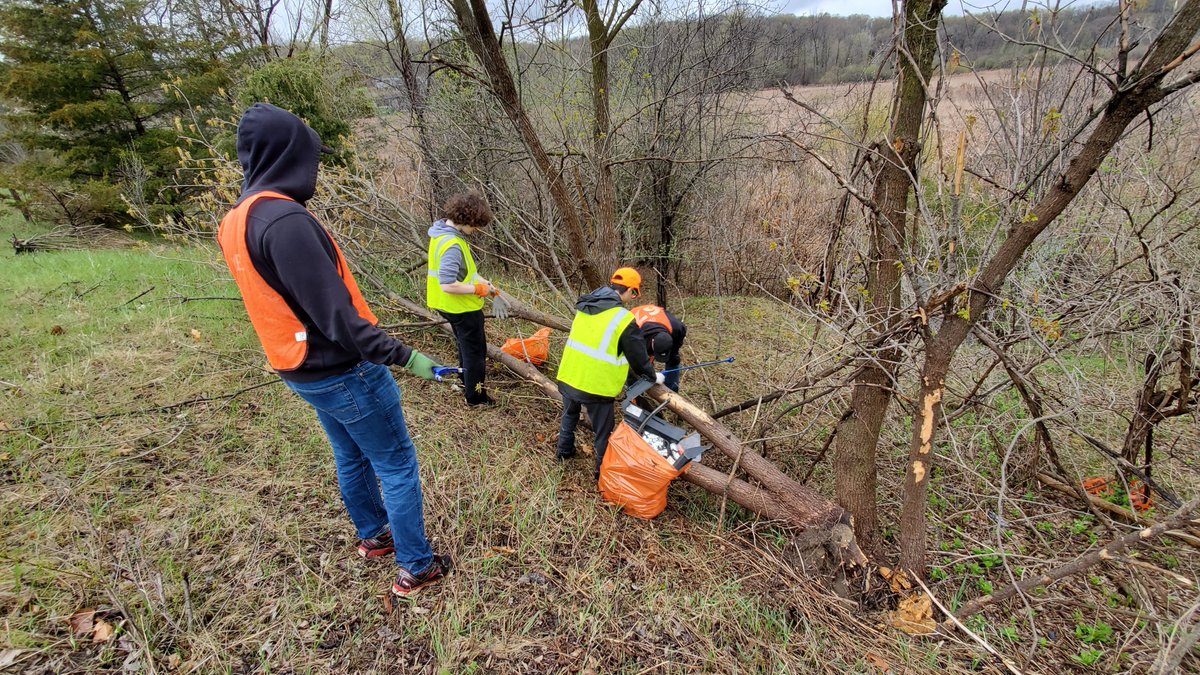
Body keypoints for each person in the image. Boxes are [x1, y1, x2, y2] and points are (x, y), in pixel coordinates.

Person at [217, 103, 451, 597]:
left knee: (349, 452)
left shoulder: (236, 221)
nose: (316, 168)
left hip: (299, 369)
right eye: (311, 156)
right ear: (287, 155)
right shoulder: (284, 221)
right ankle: (416, 565)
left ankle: (374, 535)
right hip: (344, 370)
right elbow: (338, 317)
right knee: (396, 464)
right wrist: (404, 355)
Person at [555, 267, 663, 478]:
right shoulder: (623, 318)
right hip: (596, 386)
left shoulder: (585, 305)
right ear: (630, 291)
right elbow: (638, 357)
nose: (633, 298)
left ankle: (563, 452)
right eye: (635, 294)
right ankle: (601, 472)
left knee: (569, 414)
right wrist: (652, 376)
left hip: (569, 375)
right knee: (603, 432)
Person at [426, 192, 502, 406]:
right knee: (475, 354)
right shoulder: (452, 244)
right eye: (476, 225)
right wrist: (479, 290)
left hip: (446, 306)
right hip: (461, 308)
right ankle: (476, 398)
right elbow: (448, 284)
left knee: (464, 346)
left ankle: (463, 381)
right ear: (467, 219)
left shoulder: (440, 234)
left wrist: (487, 284)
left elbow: (463, 273)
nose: (476, 230)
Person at [631, 304, 687, 392]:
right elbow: (637, 360)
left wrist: (673, 352)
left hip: (660, 321)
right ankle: (639, 387)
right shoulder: (637, 335)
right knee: (641, 361)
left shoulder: (677, 328)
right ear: (652, 342)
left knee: (674, 359)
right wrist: (650, 373)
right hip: (638, 316)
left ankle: (672, 390)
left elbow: (676, 346)